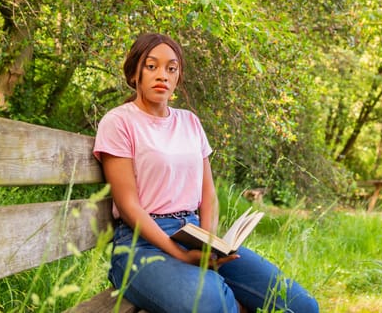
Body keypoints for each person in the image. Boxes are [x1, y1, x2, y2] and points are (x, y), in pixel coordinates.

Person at [93, 33, 319, 313]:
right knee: (211, 304)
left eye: (171, 68)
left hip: (194, 234)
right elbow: (128, 206)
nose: (162, 75)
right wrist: (179, 253)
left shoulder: (189, 122)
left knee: (301, 306)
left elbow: (208, 195)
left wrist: (210, 243)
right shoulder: (119, 122)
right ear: (134, 73)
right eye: (152, 66)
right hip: (142, 246)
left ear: (178, 77)